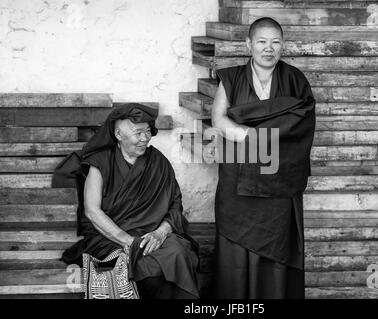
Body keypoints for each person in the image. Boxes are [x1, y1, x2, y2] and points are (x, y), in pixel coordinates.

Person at [211, 17, 316, 298]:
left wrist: (258, 133)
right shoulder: (231, 78)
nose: (268, 48)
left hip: (279, 181)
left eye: (275, 42)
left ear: (282, 45)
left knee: (277, 249)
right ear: (249, 44)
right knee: (235, 252)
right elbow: (219, 120)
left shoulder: (295, 80)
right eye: (261, 41)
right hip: (238, 182)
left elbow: (303, 125)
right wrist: (251, 136)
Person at [53, 103, 200, 299]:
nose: (144, 138)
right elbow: (92, 211)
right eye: (137, 133)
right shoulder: (101, 163)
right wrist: (129, 242)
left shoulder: (158, 161)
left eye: (148, 131)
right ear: (119, 135)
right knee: (150, 270)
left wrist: (160, 232)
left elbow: (174, 204)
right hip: (111, 237)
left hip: (152, 233)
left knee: (179, 252)